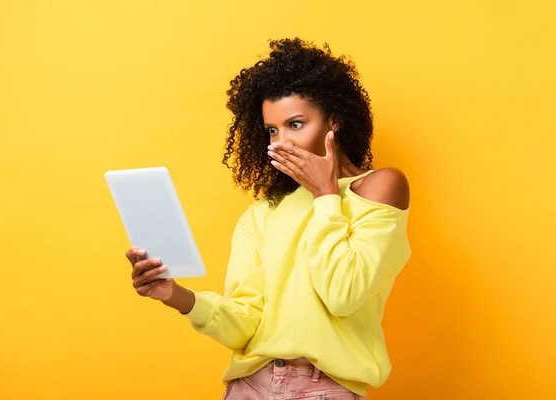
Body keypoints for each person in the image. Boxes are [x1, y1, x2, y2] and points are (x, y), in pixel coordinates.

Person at [125, 38, 411, 400]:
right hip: (249, 387)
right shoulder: (263, 213)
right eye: (272, 130)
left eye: (295, 124)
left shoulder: (379, 186)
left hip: (324, 389)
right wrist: (175, 295)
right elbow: (244, 324)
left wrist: (325, 195)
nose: (281, 143)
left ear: (334, 121)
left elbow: (343, 294)